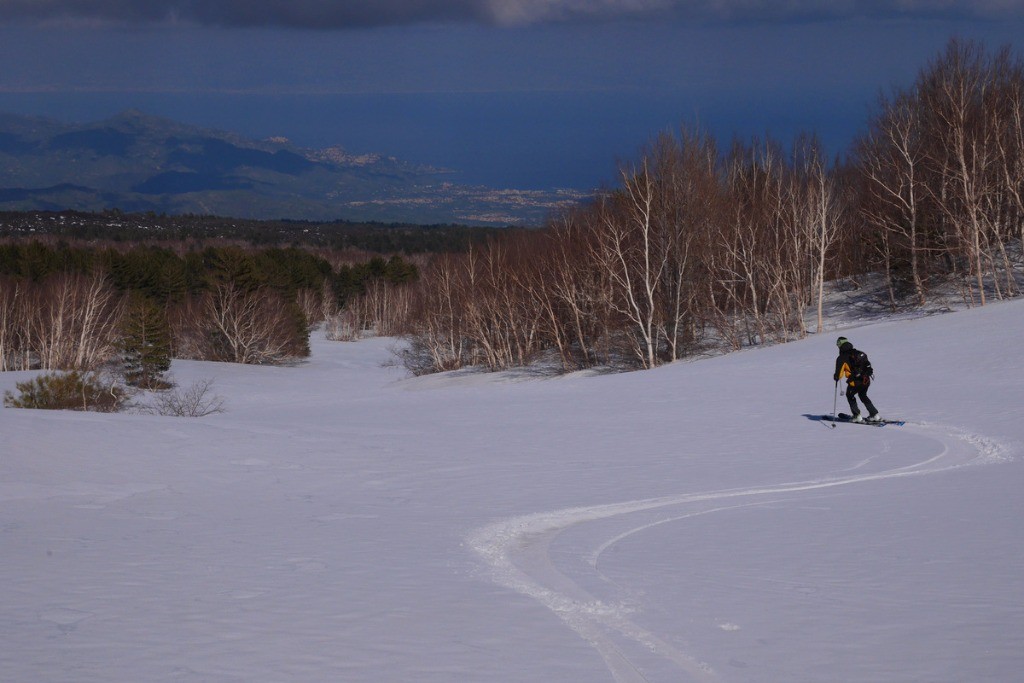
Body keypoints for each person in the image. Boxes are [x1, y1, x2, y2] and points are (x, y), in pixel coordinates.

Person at [833, 336, 880, 423]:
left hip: (855, 382)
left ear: (840, 345)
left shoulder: (841, 358)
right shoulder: (859, 353)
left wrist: (836, 377)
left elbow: (839, 375)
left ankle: (857, 416)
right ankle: (875, 415)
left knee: (850, 395)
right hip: (866, 380)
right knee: (863, 395)